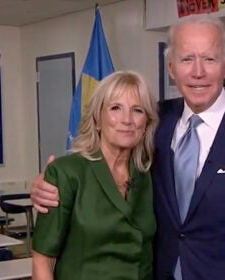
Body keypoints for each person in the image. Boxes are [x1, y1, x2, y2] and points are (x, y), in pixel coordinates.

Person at [31, 14, 225, 280]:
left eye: (209, 58)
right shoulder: (154, 122)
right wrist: (46, 187)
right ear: (171, 68)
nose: (198, 72)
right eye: (187, 59)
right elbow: (98, 170)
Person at [32, 70, 158, 280]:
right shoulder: (66, 173)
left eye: (137, 110)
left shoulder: (148, 175)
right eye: (115, 108)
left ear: (146, 124)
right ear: (97, 119)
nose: (127, 119)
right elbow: (41, 261)